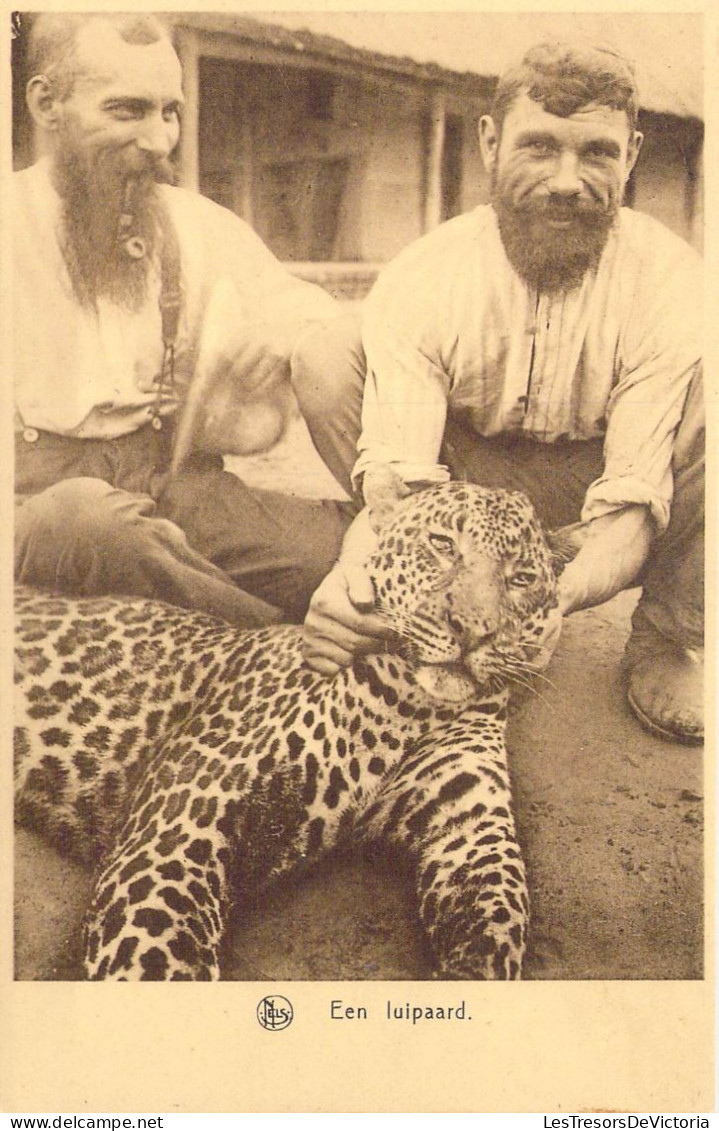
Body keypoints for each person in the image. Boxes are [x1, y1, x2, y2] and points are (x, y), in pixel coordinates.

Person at [296, 40, 704, 745]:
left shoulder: (668, 277)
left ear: (631, 155)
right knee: (325, 356)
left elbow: (632, 511)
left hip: (592, 490)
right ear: (489, 142)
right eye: (539, 147)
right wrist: (362, 562)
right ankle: (419, 596)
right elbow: (404, 483)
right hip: (460, 486)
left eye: (597, 154)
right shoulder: (426, 275)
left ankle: (666, 634)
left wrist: (550, 600)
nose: (567, 182)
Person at [13, 12, 352, 628]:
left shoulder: (192, 224)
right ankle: (272, 645)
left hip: (168, 479)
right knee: (91, 525)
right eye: (127, 110)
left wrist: (285, 331)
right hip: (35, 500)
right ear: (46, 104)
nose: (159, 140)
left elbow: (309, 310)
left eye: (169, 111)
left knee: (327, 549)